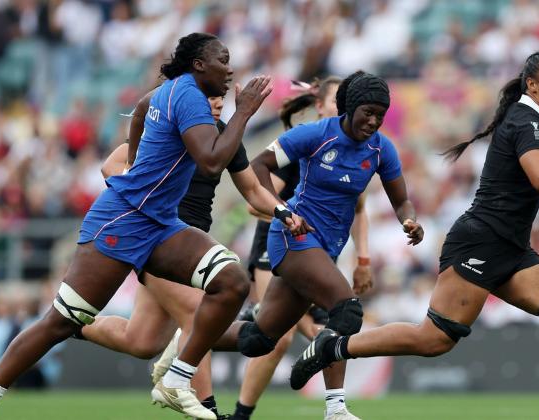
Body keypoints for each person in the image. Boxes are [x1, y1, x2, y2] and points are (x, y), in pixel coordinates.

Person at [0, 32, 293, 420]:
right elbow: (211, 161)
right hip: (124, 221)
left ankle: (177, 379)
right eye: (222, 59)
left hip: (163, 225)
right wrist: (245, 110)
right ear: (199, 65)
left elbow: (143, 109)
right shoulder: (188, 97)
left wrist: (135, 155)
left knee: (230, 283)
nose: (230, 69)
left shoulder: (171, 91)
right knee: (60, 322)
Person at [289, 51, 539, 420]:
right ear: (532, 85)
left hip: (511, 249)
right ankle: (334, 347)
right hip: (481, 244)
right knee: (432, 339)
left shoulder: (536, 122)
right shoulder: (528, 121)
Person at [211, 70, 423, 420]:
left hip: (326, 249)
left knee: (259, 339)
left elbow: (401, 201)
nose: (373, 121)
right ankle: (333, 405)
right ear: (349, 107)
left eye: (380, 116)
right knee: (346, 310)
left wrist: (409, 221)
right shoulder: (313, 135)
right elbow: (258, 166)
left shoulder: (382, 149)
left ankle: (187, 341)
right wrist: (278, 210)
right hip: (292, 237)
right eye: (367, 112)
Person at [81, 93, 302, 419]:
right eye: (209, 96)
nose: (216, 102)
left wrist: (284, 211)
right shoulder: (168, 126)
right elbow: (111, 165)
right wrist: (142, 200)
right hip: (156, 239)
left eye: (220, 97)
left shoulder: (226, 135)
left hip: (193, 245)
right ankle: (207, 408)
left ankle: (72, 323)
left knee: (142, 340)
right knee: (201, 314)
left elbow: (254, 191)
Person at [231, 77, 373, 420]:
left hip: (318, 249)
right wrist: (288, 213)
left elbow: (358, 208)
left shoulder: (356, 150)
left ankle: (335, 406)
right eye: (339, 102)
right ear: (320, 105)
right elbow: (256, 200)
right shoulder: (306, 143)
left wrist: (364, 258)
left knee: (328, 323)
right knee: (278, 334)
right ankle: (240, 411)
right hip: (280, 240)